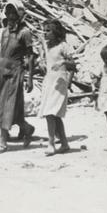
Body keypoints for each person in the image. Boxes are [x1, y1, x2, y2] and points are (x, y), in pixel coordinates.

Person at [0, 1, 36, 153]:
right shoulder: (4, 32)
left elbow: (31, 56)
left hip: (15, 72)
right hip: (2, 71)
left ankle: (2, 142)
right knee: (4, 105)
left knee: (7, 105)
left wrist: (30, 78)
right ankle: (26, 128)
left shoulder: (24, 33)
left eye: (13, 13)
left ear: (19, 15)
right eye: (8, 13)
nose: (10, 16)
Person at [38, 20, 76, 156]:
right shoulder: (47, 46)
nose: (45, 33)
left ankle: (51, 143)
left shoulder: (63, 46)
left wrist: (62, 62)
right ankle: (64, 143)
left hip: (60, 82)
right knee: (55, 115)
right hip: (49, 81)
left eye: (48, 31)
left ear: (56, 32)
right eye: (45, 30)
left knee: (50, 113)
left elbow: (73, 65)